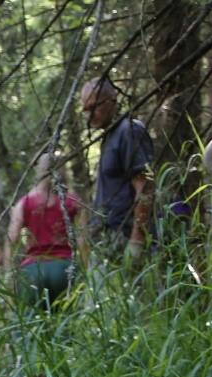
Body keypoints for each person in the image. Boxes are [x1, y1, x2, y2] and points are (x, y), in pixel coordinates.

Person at [80, 77, 154, 258]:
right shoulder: (109, 137)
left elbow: (145, 187)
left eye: (94, 107)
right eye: (85, 109)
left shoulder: (129, 131)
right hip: (106, 238)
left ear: (112, 102)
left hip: (124, 236)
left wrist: (137, 239)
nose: (89, 115)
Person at [4, 152, 87, 311]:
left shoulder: (25, 202)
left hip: (32, 272)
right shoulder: (73, 201)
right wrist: (85, 271)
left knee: (34, 328)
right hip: (64, 269)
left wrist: (10, 275)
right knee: (68, 325)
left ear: (39, 171)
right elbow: (83, 240)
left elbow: (12, 238)